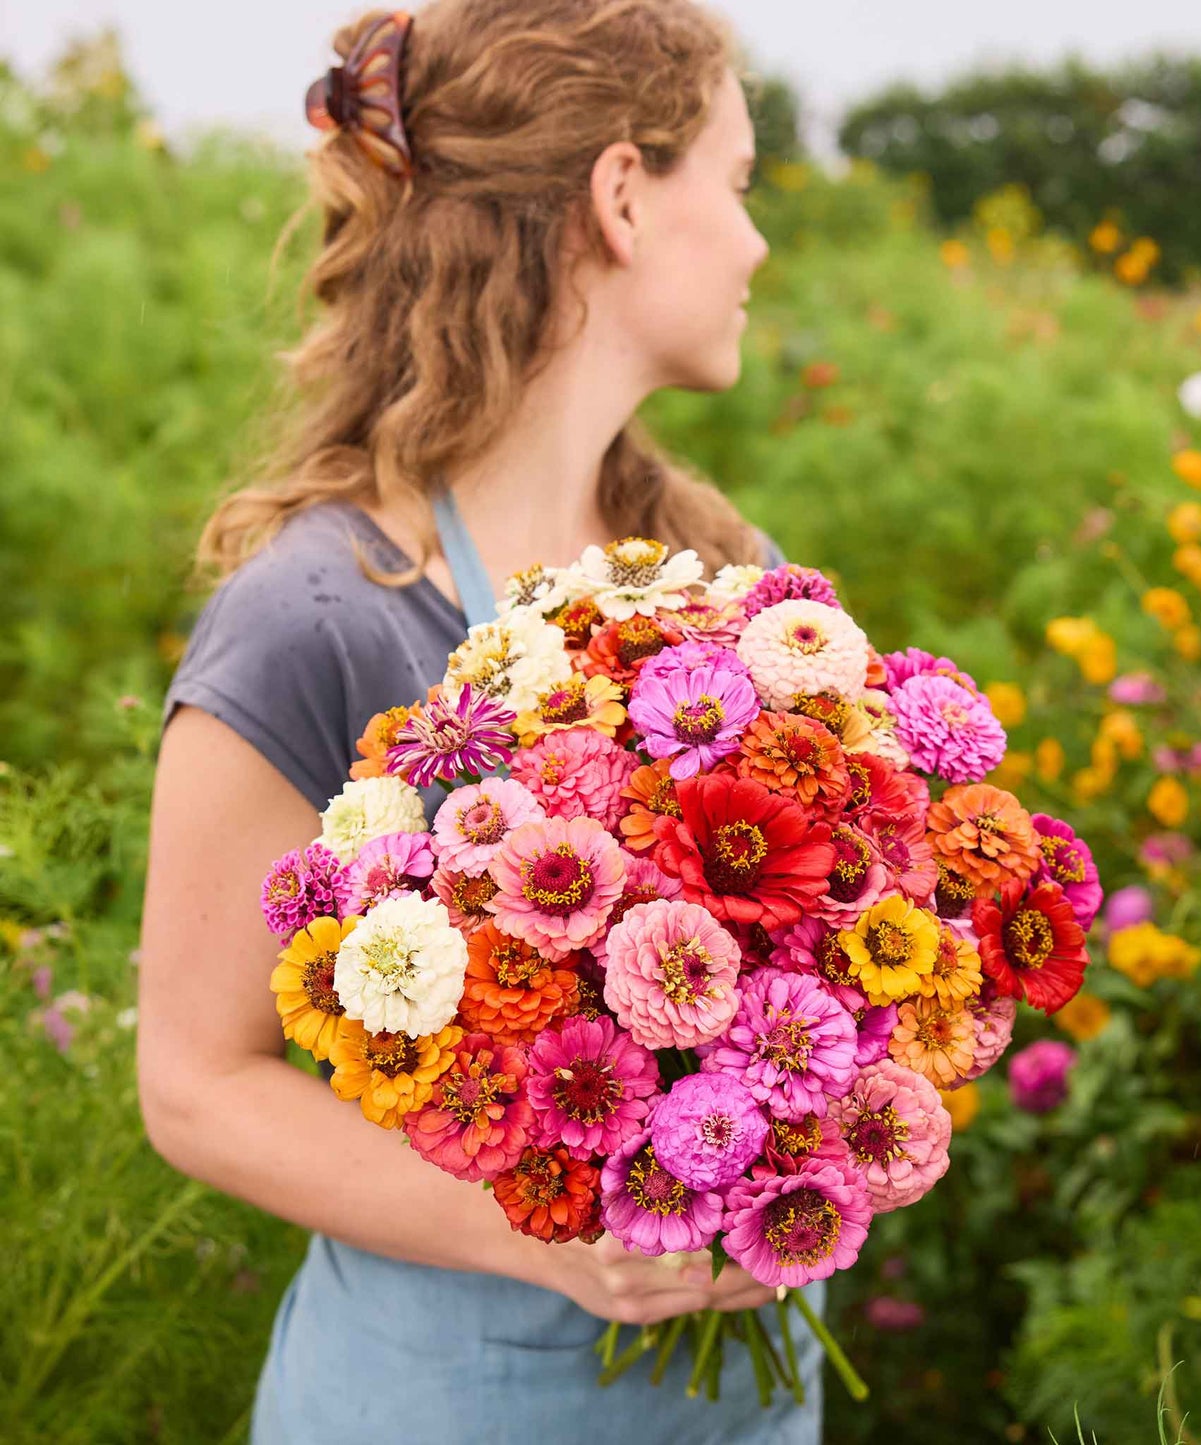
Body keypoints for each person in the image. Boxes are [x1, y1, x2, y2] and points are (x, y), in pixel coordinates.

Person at [135, 2, 826, 1440]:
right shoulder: (319, 615)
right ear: (624, 196)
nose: (757, 244)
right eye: (740, 182)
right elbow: (195, 1085)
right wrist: (545, 1230)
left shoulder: (725, 578)